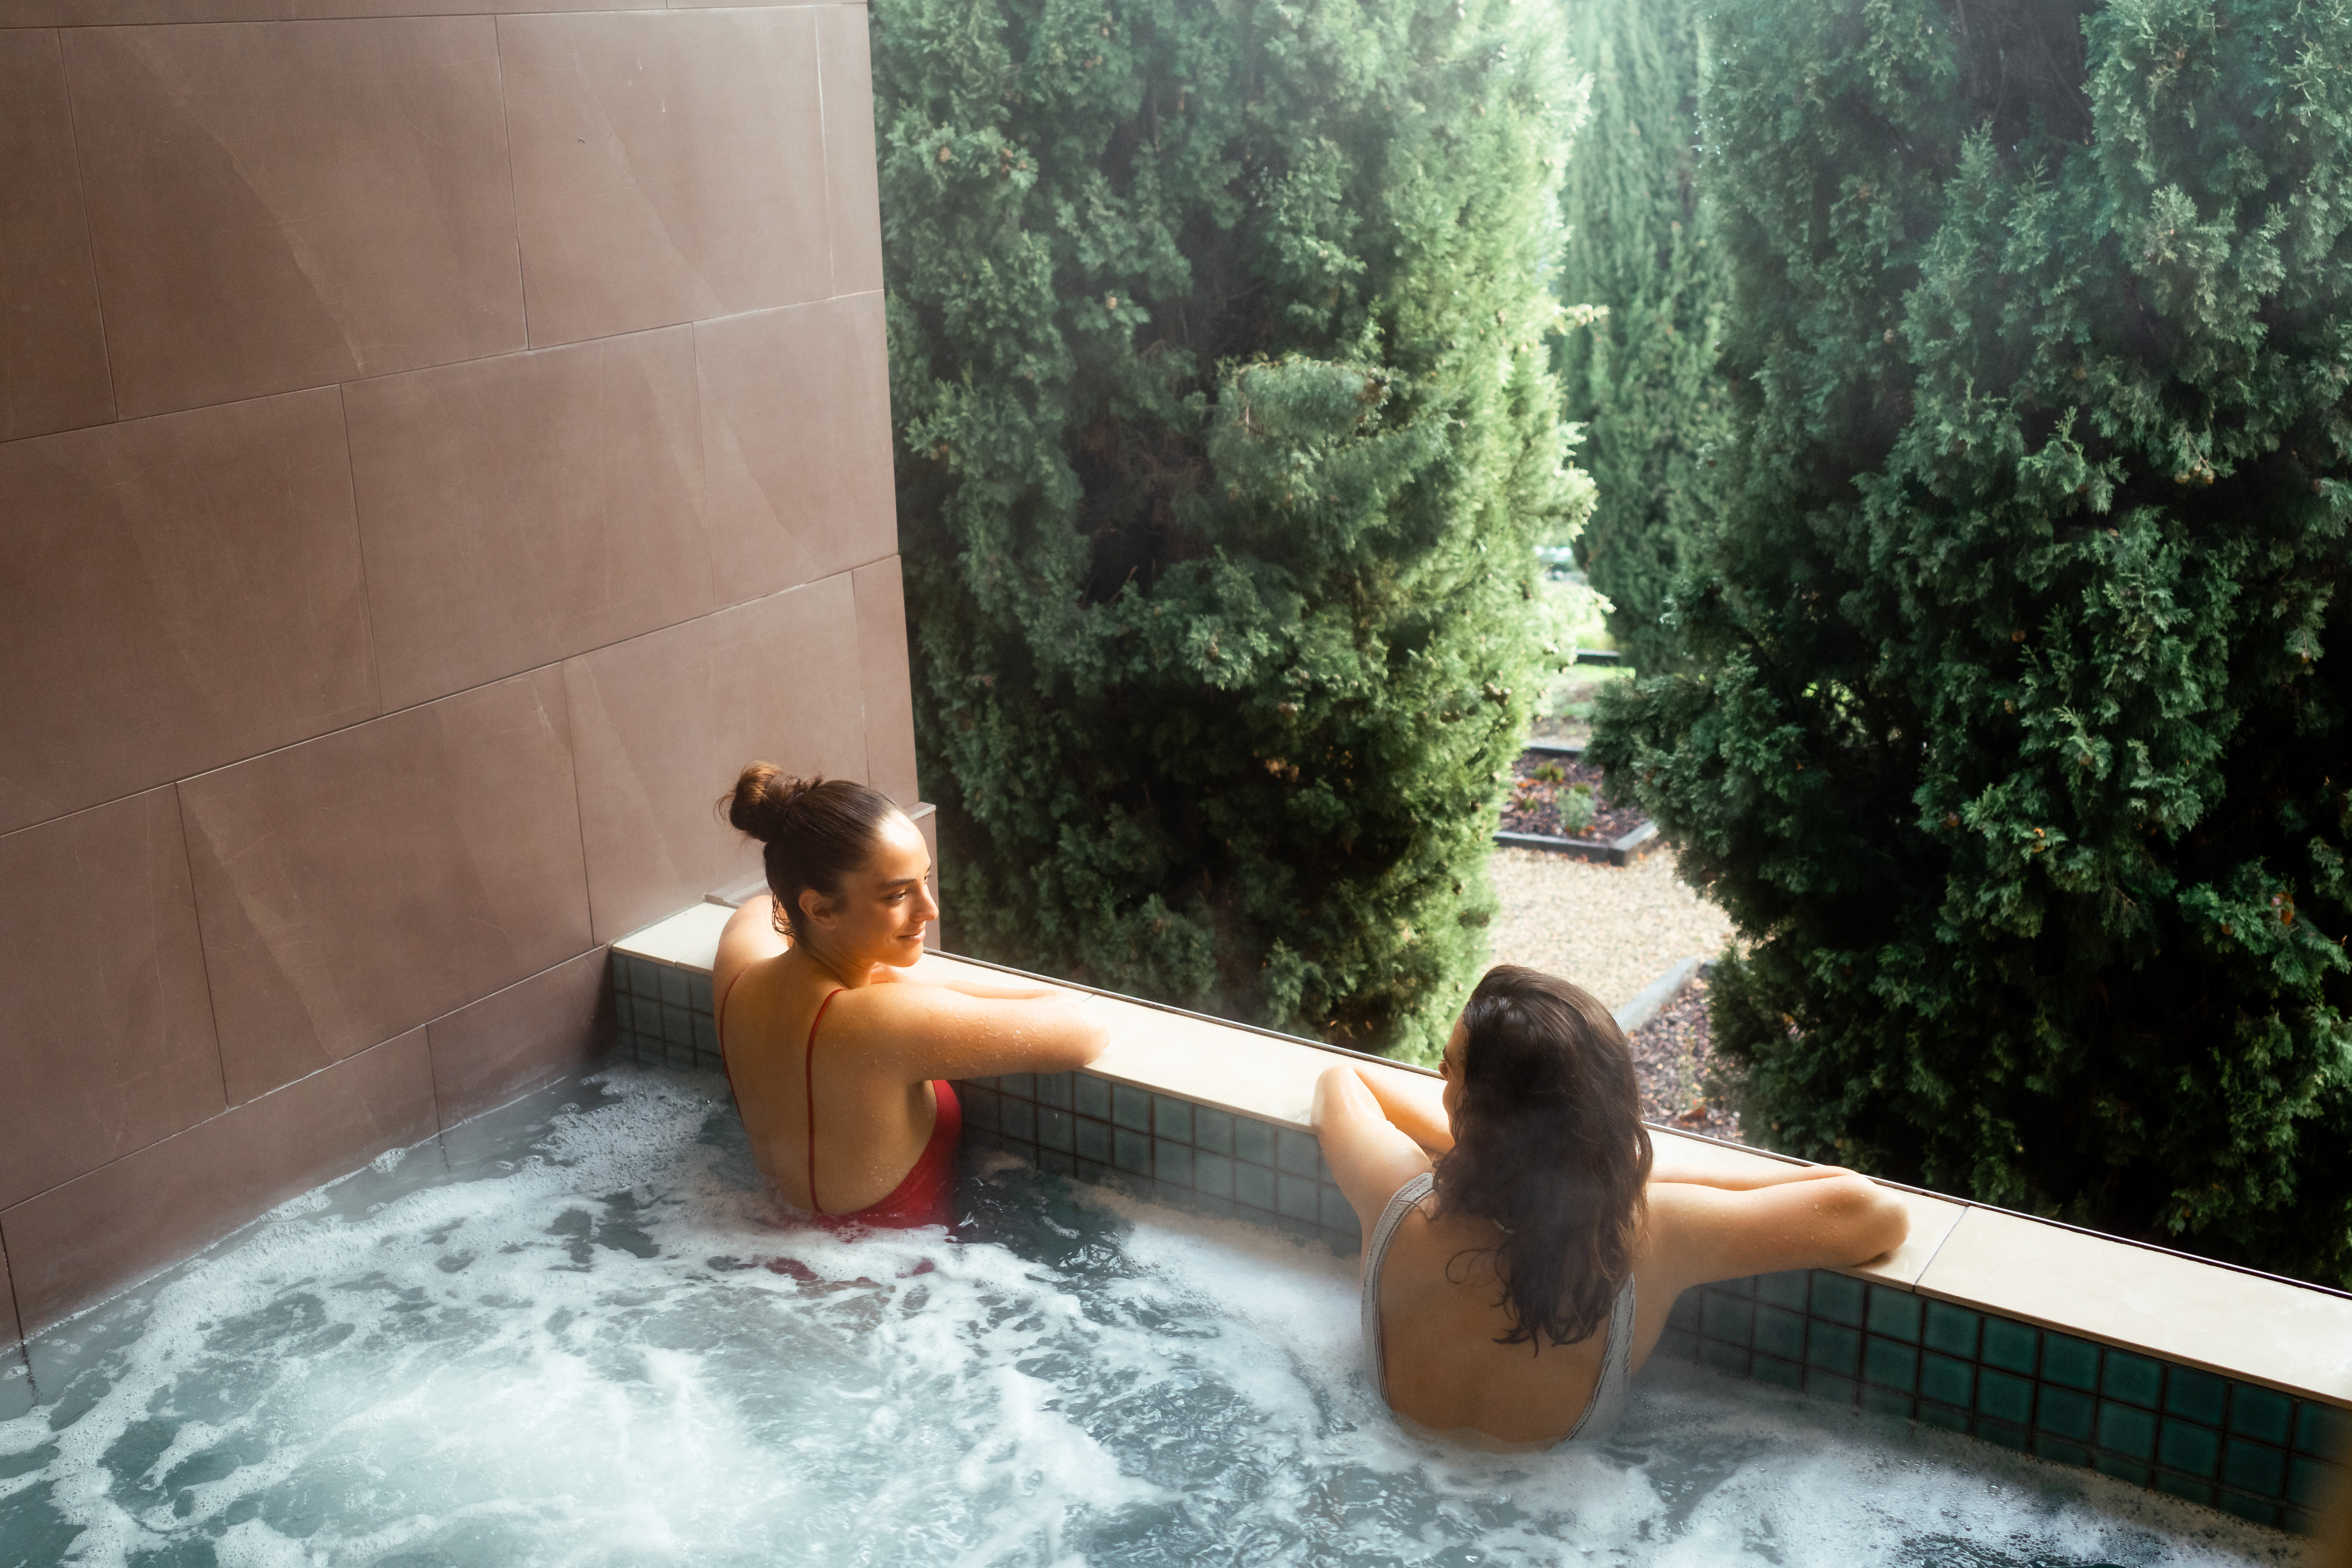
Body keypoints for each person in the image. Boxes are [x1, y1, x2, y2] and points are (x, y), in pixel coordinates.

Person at [1313, 964, 1910, 1449]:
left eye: (1449, 1070)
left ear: (1475, 1109)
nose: (1440, 1080)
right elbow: (1873, 1213)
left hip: (1389, 1474)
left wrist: (1484, 1143)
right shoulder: (1653, 1238)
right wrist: (1613, 1168)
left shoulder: (1394, 1193)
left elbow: (1342, 1086)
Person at [713, 764, 1108, 1229]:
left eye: (925, 879)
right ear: (819, 908)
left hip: (779, 1259)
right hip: (888, 1290)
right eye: (897, 895)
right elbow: (1083, 1029)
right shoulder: (881, 1019)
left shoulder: (739, 972)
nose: (930, 909)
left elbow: (762, 908)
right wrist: (909, 983)